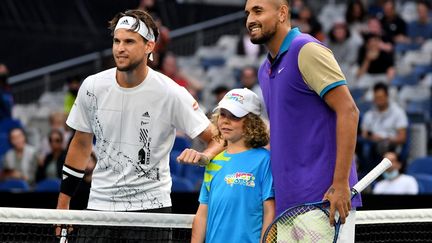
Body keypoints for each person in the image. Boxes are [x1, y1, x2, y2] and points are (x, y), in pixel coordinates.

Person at [56, 9, 223, 215]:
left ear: (149, 46)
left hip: (152, 209)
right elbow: (81, 145)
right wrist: (63, 205)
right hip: (100, 206)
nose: (120, 48)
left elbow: (217, 138)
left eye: (129, 42)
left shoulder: (171, 92)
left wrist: (204, 156)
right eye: (117, 41)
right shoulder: (92, 87)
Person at [244, 0, 361, 242]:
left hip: (324, 202)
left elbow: (349, 111)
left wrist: (340, 184)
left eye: (258, 11)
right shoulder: (264, 69)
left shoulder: (306, 49)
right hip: (287, 206)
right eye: (247, 13)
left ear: (282, 13)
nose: (250, 20)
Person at [191, 88, 274, 243]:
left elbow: (270, 211)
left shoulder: (265, 160)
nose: (226, 121)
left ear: (251, 122)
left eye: (235, 116)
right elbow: (202, 213)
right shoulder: (213, 161)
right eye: (223, 114)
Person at [358, 82, 408, 173]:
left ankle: (378, 175)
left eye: (381, 97)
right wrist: (371, 136)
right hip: (372, 143)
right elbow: (364, 134)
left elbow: (402, 137)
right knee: (360, 144)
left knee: (381, 146)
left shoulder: (398, 112)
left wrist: (385, 138)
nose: (379, 100)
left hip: (390, 144)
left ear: (387, 96)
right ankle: (363, 174)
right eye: (376, 98)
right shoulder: (369, 114)